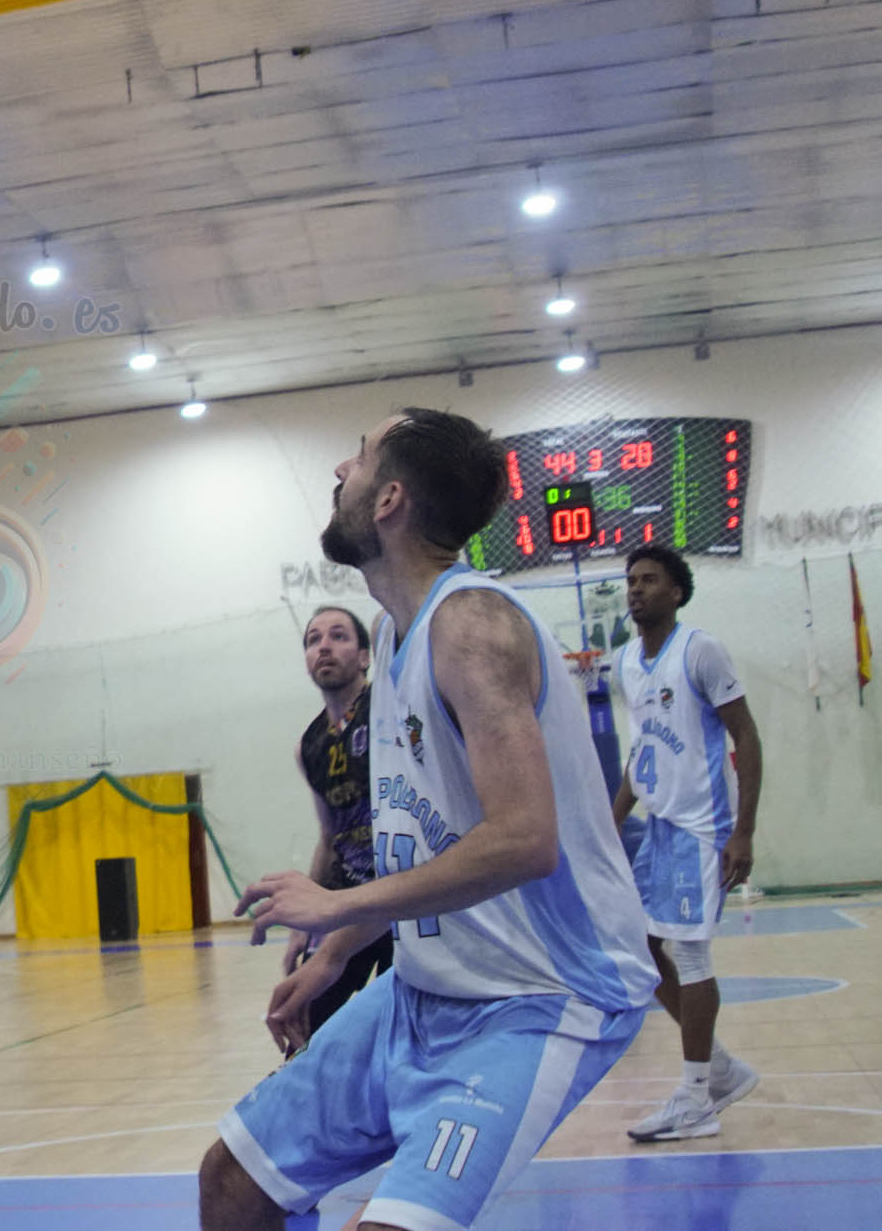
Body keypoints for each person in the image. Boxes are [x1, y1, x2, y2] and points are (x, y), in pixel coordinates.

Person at [199, 409, 657, 1231]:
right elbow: (419, 838)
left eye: (360, 456)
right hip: (423, 988)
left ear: (389, 500)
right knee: (232, 1181)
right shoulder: (390, 633)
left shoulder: (471, 627)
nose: (340, 468)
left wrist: (335, 903)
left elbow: (523, 839)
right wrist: (336, 953)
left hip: (539, 995)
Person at [611, 543, 763, 1141]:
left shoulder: (700, 650)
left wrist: (743, 832)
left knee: (693, 955)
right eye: (631, 580)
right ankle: (719, 1068)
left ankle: (696, 1097)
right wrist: (609, 823)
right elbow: (639, 755)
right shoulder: (626, 662)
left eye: (649, 580)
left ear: (676, 593)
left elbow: (746, 737)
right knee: (639, 948)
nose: (636, 589)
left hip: (703, 826)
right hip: (658, 826)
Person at [280, 606, 390, 1042]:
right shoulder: (308, 746)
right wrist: (304, 924)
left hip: (406, 895)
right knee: (305, 1025)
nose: (324, 646)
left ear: (365, 656)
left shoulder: (390, 709)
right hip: (347, 900)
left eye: (339, 636)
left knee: (401, 1034)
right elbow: (329, 839)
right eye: (314, 639)